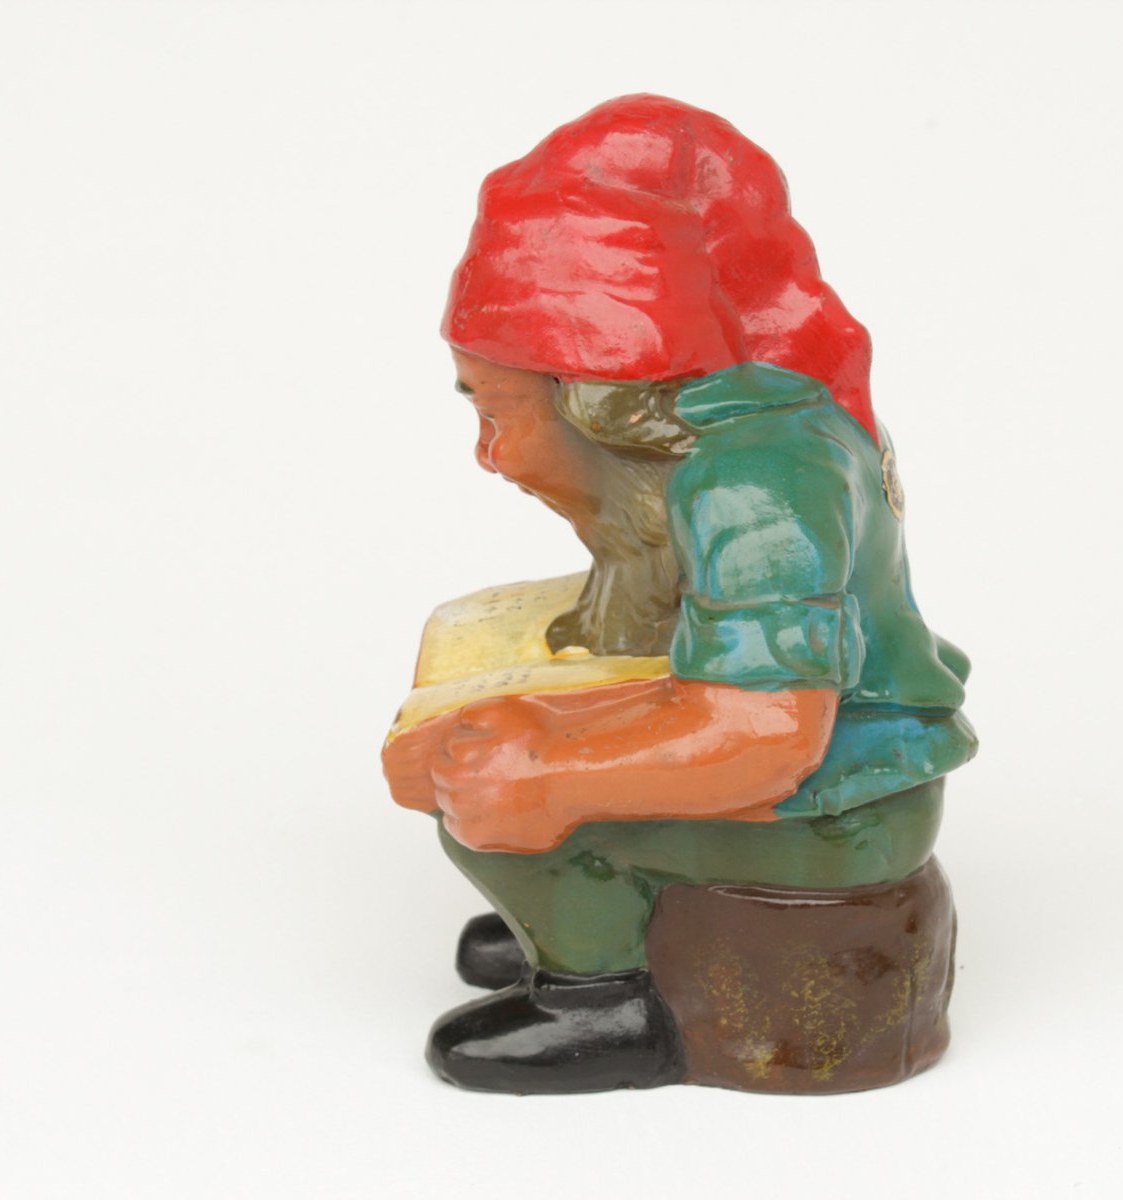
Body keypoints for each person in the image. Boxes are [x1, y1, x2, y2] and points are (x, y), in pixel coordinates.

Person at [381, 95, 976, 1094]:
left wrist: (546, 773)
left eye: (496, 410)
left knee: (478, 780)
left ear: (596, 401)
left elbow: (767, 735)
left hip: (840, 798)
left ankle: (599, 991)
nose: (490, 457)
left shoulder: (753, 485)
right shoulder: (735, 438)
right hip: (818, 758)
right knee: (494, 739)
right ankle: (579, 903)